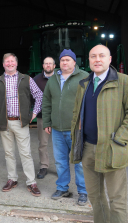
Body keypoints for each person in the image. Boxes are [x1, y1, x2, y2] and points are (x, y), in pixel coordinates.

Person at [70, 45, 128, 223]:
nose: (97, 59)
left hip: (112, 149)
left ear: (109, 58)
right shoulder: (84, 84)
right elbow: (78, 114)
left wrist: (120, 139)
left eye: (101, 55)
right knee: (95, 195)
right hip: (87, 148)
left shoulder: (125, 82)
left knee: (117, 198)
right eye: (93, 56)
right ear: (89, 59)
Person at [0, 53, 43, 197]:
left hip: (21, 122)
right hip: (4, 123)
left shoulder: (26, 79)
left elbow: (39, 96)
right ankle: (12, 179)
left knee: (25, 153)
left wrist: (34, 112)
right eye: (7, 61)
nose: (10, 63)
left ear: (16, 64)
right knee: (9, 153)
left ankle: (31, 182)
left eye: (12, 61)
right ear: (3, 64)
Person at [42, 49, 89, 205]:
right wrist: (47, 122)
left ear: (74, 62)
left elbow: (90, 102)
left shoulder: (84, 77)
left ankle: (83, 191)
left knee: (80, 163)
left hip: (77, 129)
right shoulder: (53, 79)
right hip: (56, 129)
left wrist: (86, 122)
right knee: (61, 162)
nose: (65, 62)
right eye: (62, 60)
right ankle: (62, 188)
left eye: (68, 60)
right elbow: (47, 101)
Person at [32, 57, 56, 179]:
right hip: (43, 116)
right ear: (43, 65)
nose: (48, 65)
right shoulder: (36, 80)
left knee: (60, 144)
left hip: (58, 117)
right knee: (43, 143)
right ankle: (44, 166)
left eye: (50, 63)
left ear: (54, 65)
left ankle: (61, 167)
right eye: (46, 63)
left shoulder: (60, 78)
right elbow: (31, 97)